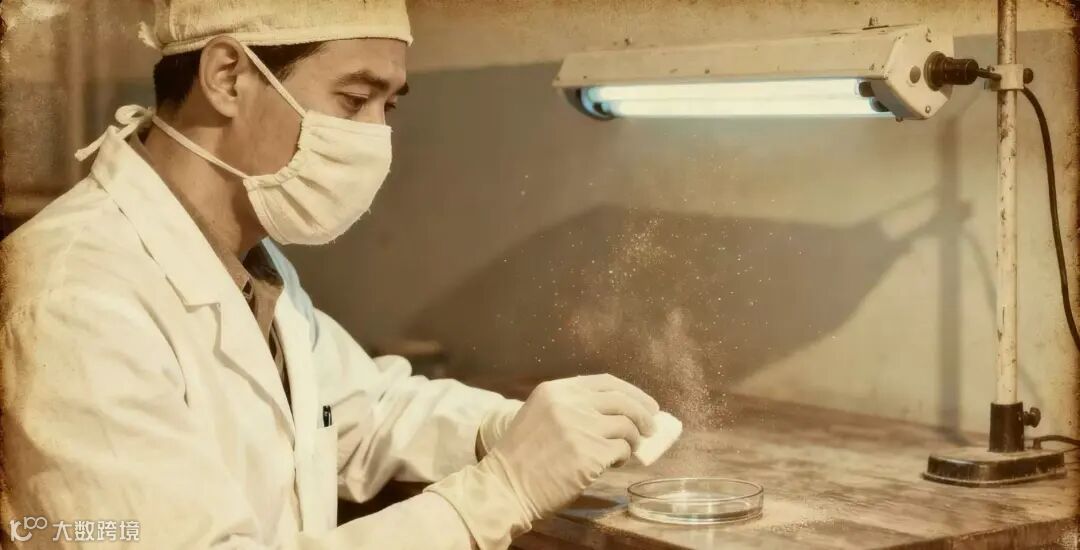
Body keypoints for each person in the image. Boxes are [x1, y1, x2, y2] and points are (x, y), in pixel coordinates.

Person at [0, 1, 663, 549]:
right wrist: (501, 492)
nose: (376, 138)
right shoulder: (74, 301)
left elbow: (362, 412)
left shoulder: (248, 267)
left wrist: (507, 427)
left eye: (388, 107)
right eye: (353, 100)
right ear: (227, 76)